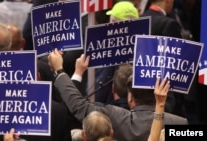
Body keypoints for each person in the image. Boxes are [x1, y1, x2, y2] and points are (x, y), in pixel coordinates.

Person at [48, 48, 188, 141]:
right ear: (160, 93)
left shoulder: (115, 116)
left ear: (130, 97)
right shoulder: (180, 123)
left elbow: (78, 105)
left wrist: (60, 70)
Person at [141, 0, 186, 118]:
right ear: (168, 1)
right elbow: (176, 63)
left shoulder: (140, 19)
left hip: (141, 93)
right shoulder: (169, 24)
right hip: (165, 94)